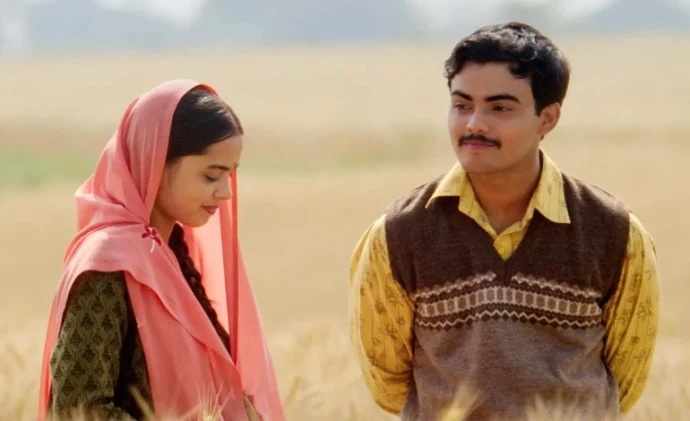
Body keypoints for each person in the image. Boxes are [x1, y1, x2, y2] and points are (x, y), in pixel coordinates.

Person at [348, 22, 660, 421]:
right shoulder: (397, 234)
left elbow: (626, 377)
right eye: (462, 105)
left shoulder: (614, 233)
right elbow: (386, 379)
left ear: (548, 118)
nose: (475, 124)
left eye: (500, 108)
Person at [38, 79, 285, 421]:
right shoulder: (106, 265)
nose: (226, 193)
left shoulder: (171, 256)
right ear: (154, 161)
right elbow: (78, 409)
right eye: (211, 176)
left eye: (230, 175)